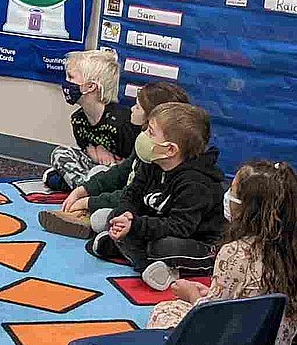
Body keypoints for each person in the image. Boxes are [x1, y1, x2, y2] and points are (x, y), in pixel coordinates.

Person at [147, 160, 297, 345]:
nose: (227, 197)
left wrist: (192, 295)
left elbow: (213, 316)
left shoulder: (234, 252)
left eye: (234, 192)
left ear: (249, 208)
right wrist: (209, 293)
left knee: (165, 310)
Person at [89, 102, 225, 290]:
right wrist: (125, 215)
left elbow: (180, 227)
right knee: (115, 216)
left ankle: (140, 259)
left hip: (198, 241)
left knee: (162, 247)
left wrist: (135, 226)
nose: (143, 136)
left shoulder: (196, 184)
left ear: (170, 150)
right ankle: (141, 257)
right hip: (159, 225)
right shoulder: (152, 161)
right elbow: (132, 194)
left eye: (150, 133)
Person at [39, 81, 190, 239]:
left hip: (138, 207)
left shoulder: (158, 156)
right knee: (98, 173)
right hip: (127, 195)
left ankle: (87, 220)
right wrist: (83, 190)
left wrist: (88, 202)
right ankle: (83, 215)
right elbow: (121, 172)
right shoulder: (145, 142)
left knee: (100, 218)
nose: (132, 109)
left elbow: (134, 195)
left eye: (137, 107)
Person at [43, 48, 137, 192]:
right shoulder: (78, 120)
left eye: (71, 77)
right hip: (95, 167)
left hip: (121, 173)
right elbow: (87, 152)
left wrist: (111, 160)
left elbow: (133, 163)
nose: (66, 82)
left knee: (59, 177)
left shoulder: (122, 122)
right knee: (59, 154)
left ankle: (86, 189)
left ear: (91, 86)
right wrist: (94, 151)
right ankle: (88, 188)